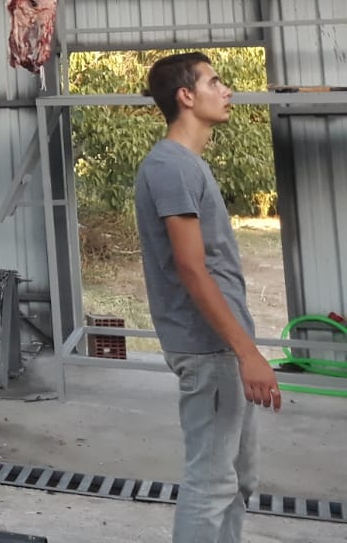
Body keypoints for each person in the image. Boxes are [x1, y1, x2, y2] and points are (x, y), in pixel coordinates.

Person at [134, 51, 280, 543]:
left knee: (239, 480)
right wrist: (247, 353)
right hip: (208, 348)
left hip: (221, 346)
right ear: (186, 96)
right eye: (215, 82)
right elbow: (192, 269)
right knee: (212, 483)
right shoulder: (171, 166)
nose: (227, 90)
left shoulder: (188, 164)